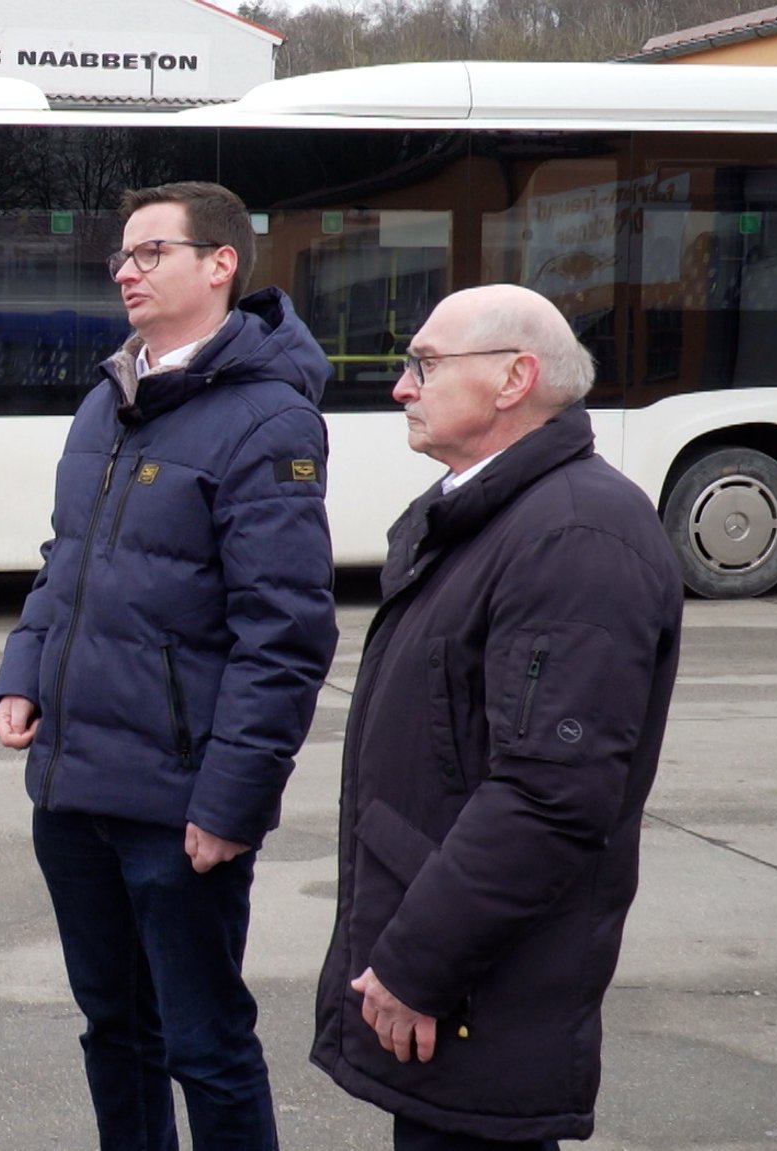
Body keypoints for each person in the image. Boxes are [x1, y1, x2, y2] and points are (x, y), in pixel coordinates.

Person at [0, 181, 339, 1150]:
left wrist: (229, 801)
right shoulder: (107, 397)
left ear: (218, 263)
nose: (124, 270)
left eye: (149, 252)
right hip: (72, 790)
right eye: (121, 254)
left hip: (178, 807)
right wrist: (21, 669)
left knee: (204, 1043)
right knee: (114, 1030)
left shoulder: (266, 419)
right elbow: (66, 558)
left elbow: (286, 633)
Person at [310, 284, 684, 1150]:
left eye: (425, 364)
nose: (403, 386)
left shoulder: (577, 535)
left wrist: (417, 965)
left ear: (515, 377)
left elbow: (549, 797)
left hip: (481, 986)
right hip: (460, 971)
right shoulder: (499, 514)